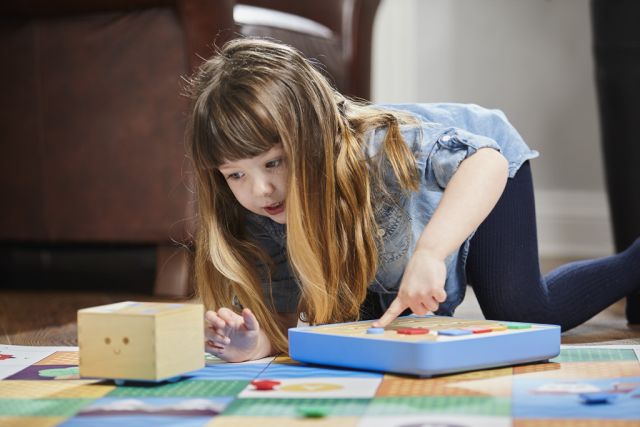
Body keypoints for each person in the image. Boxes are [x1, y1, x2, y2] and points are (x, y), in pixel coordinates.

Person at [186, 37, 640, 363]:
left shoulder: (379, 149)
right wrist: (257, 343)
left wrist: (430, 253)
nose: (259, 190)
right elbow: (291, 317)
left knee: (522, 311)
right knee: (353, 323)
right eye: (235, 174)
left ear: (314, 138)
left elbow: (485, 164)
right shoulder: (258, 212)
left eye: (274, 162)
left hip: (475, 169)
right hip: (395, 234)